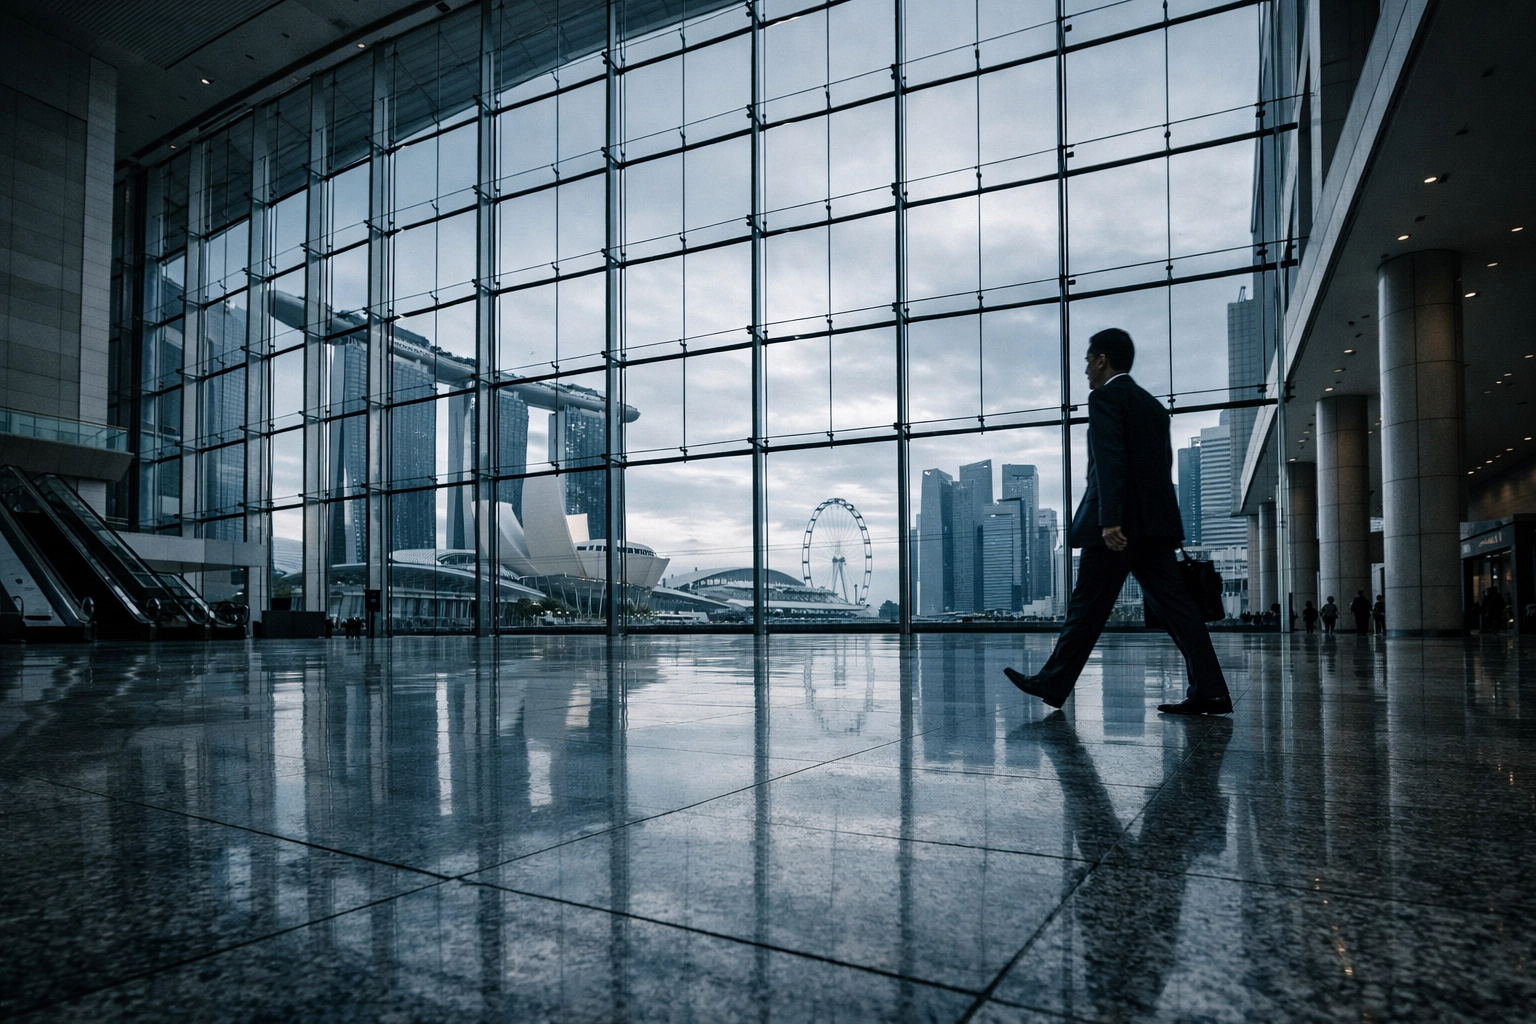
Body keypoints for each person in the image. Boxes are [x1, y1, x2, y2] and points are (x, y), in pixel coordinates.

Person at [1003, 328, 1233, 716]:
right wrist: (1160, 525)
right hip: (1154, 529)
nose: (1085, 371)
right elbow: (1163, 468)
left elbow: (1110, 461)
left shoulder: (1106, 397)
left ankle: (1053, 681)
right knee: (1180, 612)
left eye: (1087, 361)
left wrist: (1110, 521)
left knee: (1086, 608)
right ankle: (1210, 690)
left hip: (1116, 530)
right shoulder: (1153, 406)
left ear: (1101, 360)